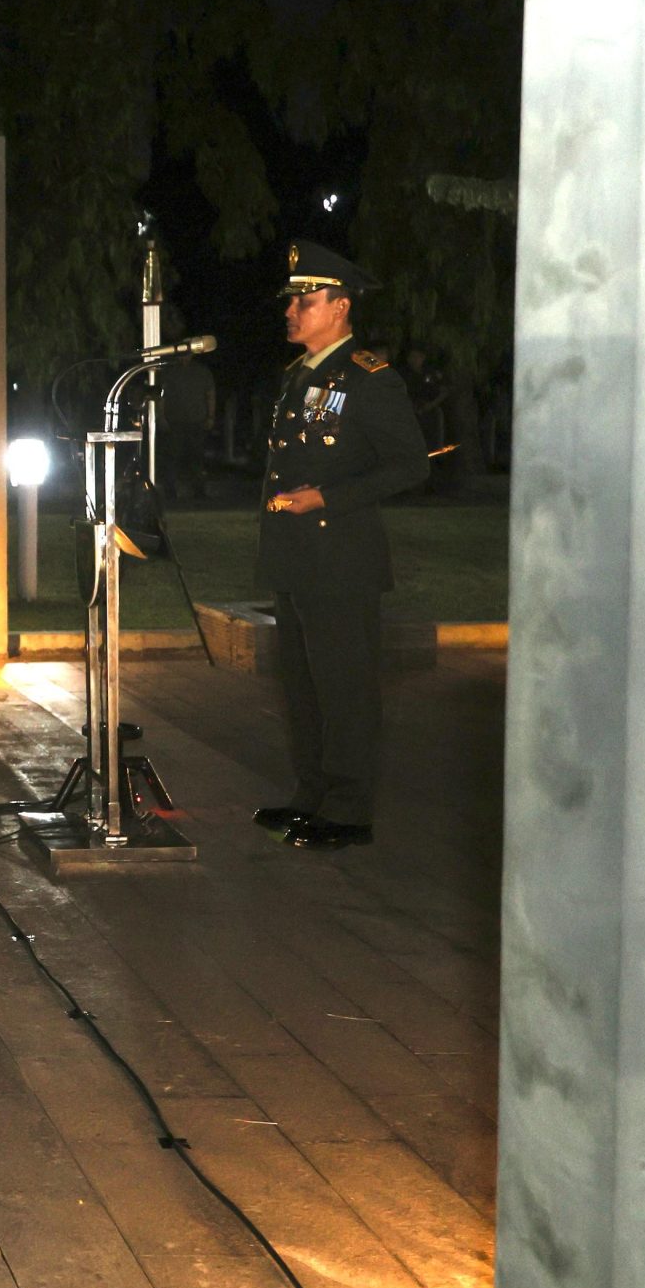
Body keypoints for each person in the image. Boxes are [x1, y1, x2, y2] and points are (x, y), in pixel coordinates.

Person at [250, 239, 429, 853]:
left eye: (306, 299)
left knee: (344, 688)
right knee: (302, 687)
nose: (292, 310)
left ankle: (349, 809)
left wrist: (328, 497)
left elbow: (409, 466)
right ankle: (311, 795)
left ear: (341, 307)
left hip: (341, 560)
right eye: (292, 299)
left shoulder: (369, 379)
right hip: (297, 558)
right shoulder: (299, 376)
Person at [155, 330, 216, 504]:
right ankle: (170, 490)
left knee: (197, 457)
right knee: (173, 457)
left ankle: (199, 490)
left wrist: (210, 416)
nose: (184, 358)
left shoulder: (202, 372)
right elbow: (162, 397)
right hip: (175, 421)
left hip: (197, 420)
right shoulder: (169, 372)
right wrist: (162, 417)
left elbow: (210, 393)